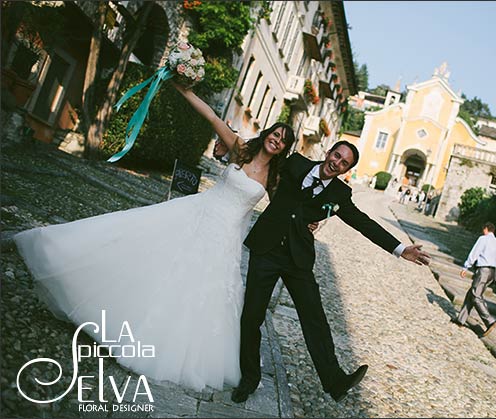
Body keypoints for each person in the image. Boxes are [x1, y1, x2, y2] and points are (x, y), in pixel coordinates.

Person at [13, 82, 298, 392]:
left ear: (284, 149)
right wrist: (184, 89)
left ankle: (159, 342)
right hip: (197, 213)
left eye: (283, 141)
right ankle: (56, 252)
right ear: (268, 132)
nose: (277, 140)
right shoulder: (241, 149)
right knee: (138, 241)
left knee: (197, 290)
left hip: (224, 240)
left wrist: (312, 222)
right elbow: (212, 117)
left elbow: (291, 206)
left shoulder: (275, 179)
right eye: (275, 133)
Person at [231, 141, 431, 404]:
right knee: (252, 316)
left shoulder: (339, 194)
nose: (336, 162)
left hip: (297, 259)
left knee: (315, 318)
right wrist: (229, 152)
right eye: (336, 155)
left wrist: (400, 248)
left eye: (344, 162)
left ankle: (335, 381)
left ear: (345, 170)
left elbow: (363, 223)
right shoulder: (296, 163)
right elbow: (264, 162)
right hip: (266, 249)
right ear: (328, 153)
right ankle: (249, 379)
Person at [451, 222, 496, 337]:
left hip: (483, 270)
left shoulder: (483, 239)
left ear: (485, 229)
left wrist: (466, 266)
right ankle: (461, 319)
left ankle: (489, 321)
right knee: (471, 293)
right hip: (492, 272)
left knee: (476, 295)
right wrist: (494, 265)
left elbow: (474, 253)